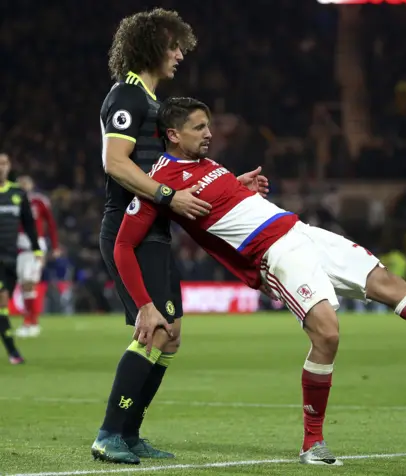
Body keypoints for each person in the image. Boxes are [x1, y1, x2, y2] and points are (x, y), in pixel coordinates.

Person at [114, 97, 406, 466]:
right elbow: (122, 247)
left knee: (391, 285)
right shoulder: (158, 185)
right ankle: (312, 442)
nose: (209, 133)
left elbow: (221, 203)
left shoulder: (207, 164)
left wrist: (239, 185)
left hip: (302, 231)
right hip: (275, 255)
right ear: (172, 134)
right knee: (328, 334)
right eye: (199, 127)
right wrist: (145, 304)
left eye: (208, 125)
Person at [93, 9, 269, 464]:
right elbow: (116, 163)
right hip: (128, 228)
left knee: (169, 337)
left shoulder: (151, 101)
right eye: (172, 46)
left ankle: (129, 434)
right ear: (151, 45)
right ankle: (109, 433)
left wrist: (233, 188)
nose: (178, 54)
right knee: (152, 329)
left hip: (156, 231)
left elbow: (173, 170)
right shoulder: (128, 96)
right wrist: (169, 196)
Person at [0, 154, 42, 365]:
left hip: (10, 257)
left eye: (4, 163)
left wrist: (36, 249)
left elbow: (28, 223)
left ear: (9, 167)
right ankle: (13, 352)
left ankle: (13, 352)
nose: (1, 167)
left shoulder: (17, 193)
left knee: (3, 308)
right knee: (1, 304)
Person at [14, 175, 60, 338]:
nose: (23, 186)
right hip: (19, 249)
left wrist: (55, 246)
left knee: (30, 283)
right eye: (20, 184)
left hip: (35, 248)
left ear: (32, 185)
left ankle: (32, 322)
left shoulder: (39, 201)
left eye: (26, 183)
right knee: (24, 285)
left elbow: (51, 224)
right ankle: (28, 322)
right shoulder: (13, 200)